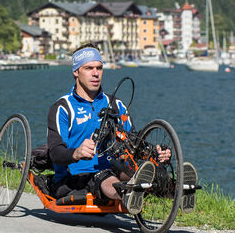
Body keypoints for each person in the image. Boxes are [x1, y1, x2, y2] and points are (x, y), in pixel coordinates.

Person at [47, 43, 197, 214]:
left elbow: (133, 143)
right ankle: (128, 193)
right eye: (89, 68)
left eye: (99, 68)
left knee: (142, 168)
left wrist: (154, 152)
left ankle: (177, 191)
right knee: (105, 176)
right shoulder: (62, 107)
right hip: (74, 176)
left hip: (112, 168)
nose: (96, 73)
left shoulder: (115, 105)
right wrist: (76, 153)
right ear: (76, 71)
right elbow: (55, 153)